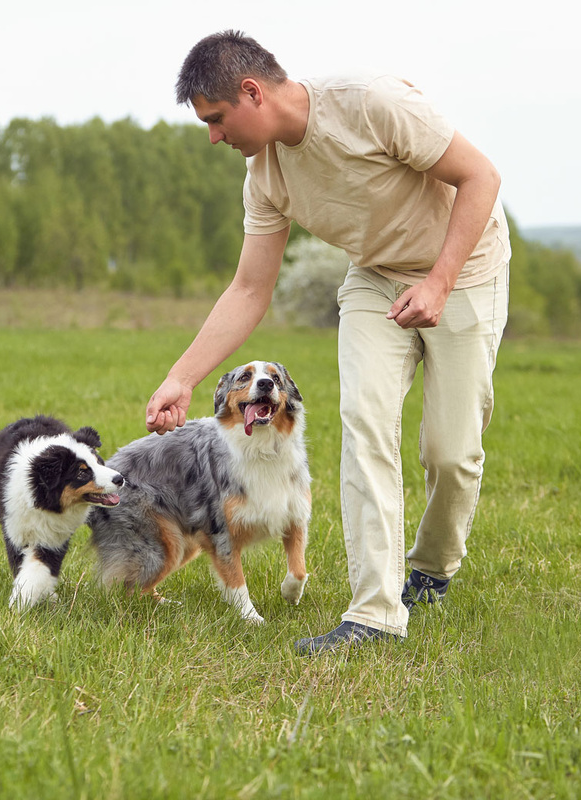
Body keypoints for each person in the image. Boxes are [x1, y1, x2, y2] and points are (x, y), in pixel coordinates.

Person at [145, 30, 510, 655]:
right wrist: (181, 377)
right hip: (374, 282)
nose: (213, 136)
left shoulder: (370, 104)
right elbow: (249, 289)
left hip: (466, 267)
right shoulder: (264, 179)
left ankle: (432, 567)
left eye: (215, 119)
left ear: (252, 92)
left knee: (451, 454)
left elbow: (481, 176)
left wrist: (440, 281)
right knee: (365, 424)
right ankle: (374, 614)